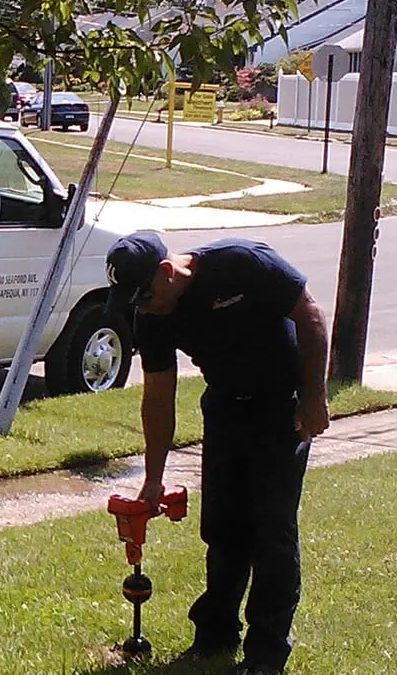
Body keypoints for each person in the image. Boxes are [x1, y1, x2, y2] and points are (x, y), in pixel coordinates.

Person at [104, 231, 331, 675]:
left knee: (272, 532)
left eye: (145, 296)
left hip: (281, 408)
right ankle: (214, 637)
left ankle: (265, 657)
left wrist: (314, 396)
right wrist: (153, 478)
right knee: (223, 527)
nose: (143, 308)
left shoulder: (242, 263)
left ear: (168, 272)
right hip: (225, 407)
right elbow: (158, 398)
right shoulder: (152, 316)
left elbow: (311, 316)